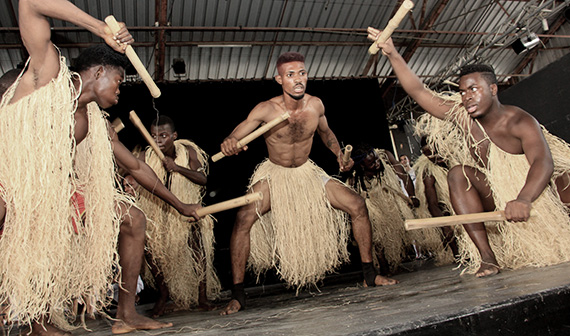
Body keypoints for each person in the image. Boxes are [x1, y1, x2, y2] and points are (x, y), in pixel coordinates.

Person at [0, 1, 200, 334]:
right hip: (10, 180)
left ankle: (126, 314)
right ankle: (37, 322)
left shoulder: (94, 122)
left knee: (132, 217)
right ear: (97, 73)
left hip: (53, 191)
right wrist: (100, 29)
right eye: (119, 82)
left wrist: (180, 206)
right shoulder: (47, 76)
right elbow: (30, 3)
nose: (120, 91)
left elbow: (136, 167)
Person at [367, 27, 570, 278]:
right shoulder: (463, 118)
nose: (466, 97)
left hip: (529, 193)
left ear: (493, 89)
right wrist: (393, 54)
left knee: (565, 177)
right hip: (495, 192)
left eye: (474, 89)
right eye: (462, 91)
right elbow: (419, 92)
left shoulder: (519, 121)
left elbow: (543, 162)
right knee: (457, 174)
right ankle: (487, 258)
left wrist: (524, 199)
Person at [219, 51, 397, 315]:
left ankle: (370, 274)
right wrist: (230, 142)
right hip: (275, 174)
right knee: (244, 218)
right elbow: (237, 134)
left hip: (306, 172)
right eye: (290, 75)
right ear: (279, 79)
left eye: (302, 73)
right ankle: (237, 296)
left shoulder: (315, 105)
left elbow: (327, 134)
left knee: (357, 205)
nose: (298, 79)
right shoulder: (266, 109)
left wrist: (338, 154)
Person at [132, 115, 220, 317]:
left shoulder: (187, 151)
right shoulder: (146, 157)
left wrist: (177, 167)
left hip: (186, 208)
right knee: (150, 250)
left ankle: (202, 298)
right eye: (154, 136)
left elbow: (202, 179)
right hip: (158, 211)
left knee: (197, 245)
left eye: (163, 135)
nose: (158, 140)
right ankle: (163, 295)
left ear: (174, 135)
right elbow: (135, 177)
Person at [349, 144, 443, 270]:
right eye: (372, 163)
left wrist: (412, 196)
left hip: (390, 201)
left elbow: (404, 175)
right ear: (362, 166)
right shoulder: (355, 178)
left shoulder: (385, 155)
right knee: (377, 235)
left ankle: (394, 261)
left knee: (395, 233)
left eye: (376, 159)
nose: (377, 163)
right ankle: (383, 267)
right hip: (371, 204)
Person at [412, 136, 459, 260]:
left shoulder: (457, 160)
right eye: (430, 155)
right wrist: (445, 226)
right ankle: (457, 253)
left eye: (436, 151)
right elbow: (433, 204)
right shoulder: (428, 173)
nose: (435, 157)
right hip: (447, 210)